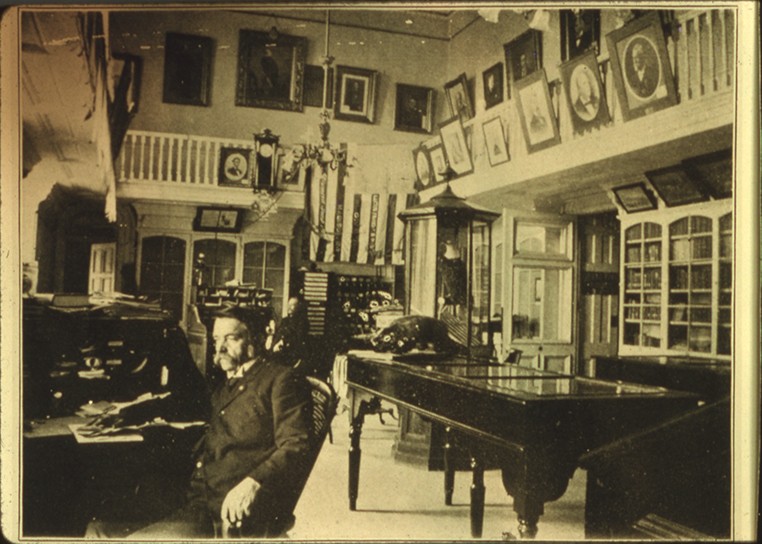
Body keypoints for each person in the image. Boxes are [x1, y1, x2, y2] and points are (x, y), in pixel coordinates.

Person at [92, 306, 312, 539]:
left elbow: (296, 444)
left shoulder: (279, 379)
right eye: (217, 339)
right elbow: (188, 405)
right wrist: (128, 413)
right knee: (96, 528)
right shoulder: (228, 381)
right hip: (192, 494)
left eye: (231, 338)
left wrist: (254, 482)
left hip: (222, 509)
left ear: (254, 339)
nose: (221, 348)